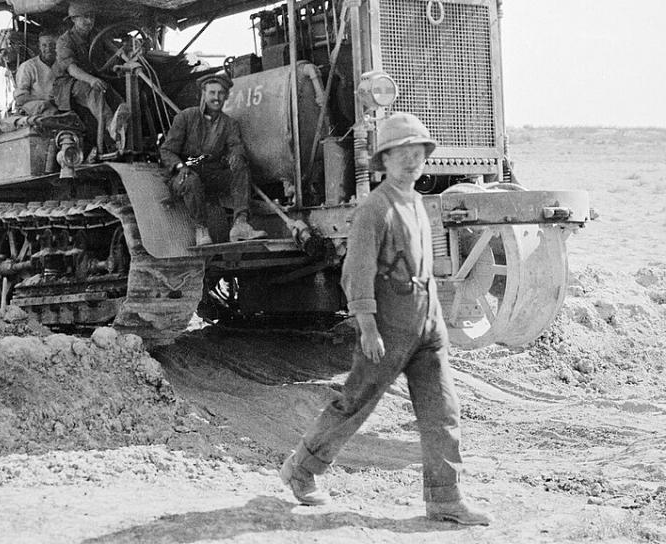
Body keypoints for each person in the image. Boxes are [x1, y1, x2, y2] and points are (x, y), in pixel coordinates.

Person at [280, 113, 491, 526]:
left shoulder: (415, 201)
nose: (411, 161)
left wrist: (437, 321)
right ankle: (301, 470)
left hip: (427, 326)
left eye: (417, 153)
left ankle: (445, 498)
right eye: (402, 154)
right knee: (355, 404)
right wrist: (368, 327)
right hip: (389, 329)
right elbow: (355, 273)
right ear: (385, 160)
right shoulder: (375, 208)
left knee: (442, 411)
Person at [159, 73, 266, 245]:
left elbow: (236, 145)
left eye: (221, 93)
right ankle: (201, 229)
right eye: (212, 93)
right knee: (191, 180)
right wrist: (180, 167)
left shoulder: (229, 124)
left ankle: (240, 224)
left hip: (210, 177)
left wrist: (236, 156)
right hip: (182, 176)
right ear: (203, 94)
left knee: (241, 168)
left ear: (226, 96)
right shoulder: (186, 118)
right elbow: (167, 151)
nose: (216, 98)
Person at [53, 0, 126, 151]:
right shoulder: (64, 41)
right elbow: (72, 69)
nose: (89, 21)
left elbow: (114, 52)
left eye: (91, 16)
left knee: (117, 99)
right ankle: (111, 126)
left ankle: (121, 135)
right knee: (94, 91)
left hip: (94, 78)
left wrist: (121, 61)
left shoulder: (97, 35)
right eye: (84, 17)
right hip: (69, 85)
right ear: (73, 19)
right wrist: (91, 79)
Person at [14, 32, 58, 116]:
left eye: (52, 45)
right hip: (35, 105)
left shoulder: (62, 64)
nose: (48, 48)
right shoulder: (28, 66)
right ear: (39, 47)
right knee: (47, 108)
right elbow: (20, 98)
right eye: (44, 45)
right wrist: (45, 98)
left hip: (58, 104)